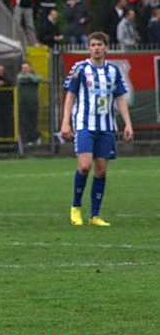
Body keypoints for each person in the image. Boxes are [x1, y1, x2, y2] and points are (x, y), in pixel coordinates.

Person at [60, 32, 133, 227]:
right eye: (92, 45)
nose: (96, 48)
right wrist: (65, 122)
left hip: (106, 126)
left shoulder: (113, 71)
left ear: (106, 47)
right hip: (85, 125)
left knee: (101, 170)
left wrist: (128, 123)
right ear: (89, 48)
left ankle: (95, 215)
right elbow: (70, 95)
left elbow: (120, 98)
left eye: (99, 44)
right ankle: (76, 207)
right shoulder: (80, 68)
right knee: (84, 166)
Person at [16, 62, 43, 145]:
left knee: (33, 120)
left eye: (26, 68)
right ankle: (31, 138)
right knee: (24, 121)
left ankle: (34, 138)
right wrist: (30, 78)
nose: (25, 70)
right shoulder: (20, 75)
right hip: (22, 102)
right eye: (23, 68)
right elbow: (19, 78)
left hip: (33, 101)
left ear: (30, 68)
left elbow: (37, 79)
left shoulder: (36, 74)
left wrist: (29, 77)